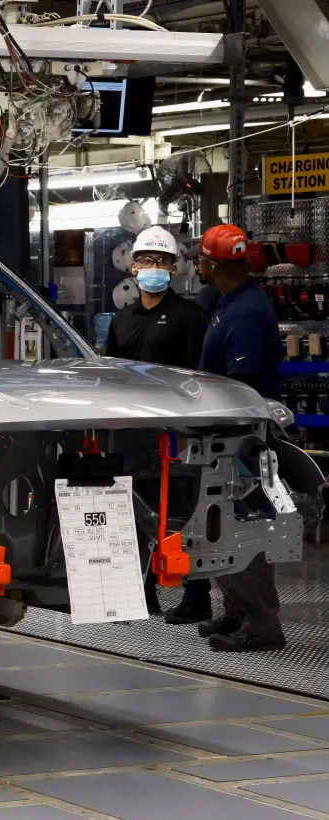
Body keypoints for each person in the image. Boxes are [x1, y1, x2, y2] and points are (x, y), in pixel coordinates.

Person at [104, 226, 213, 624]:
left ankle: (197, 594)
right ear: (133, 267)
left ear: (173, 268)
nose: (153, 268)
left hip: (177, 431)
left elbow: (199, 377)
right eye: (147, 261)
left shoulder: (189, 316)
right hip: (132, 431)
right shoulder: (122, 320)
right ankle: (142, 591)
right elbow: (111, 374)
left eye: (161, 262)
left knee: (184, 509)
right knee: (135, 508)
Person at [196, 222, 287, 652]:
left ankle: (262, 625)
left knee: (247, 525)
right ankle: (236, 612)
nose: (197, 263)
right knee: (222, 525)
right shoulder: (229, 301)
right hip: (227, 435)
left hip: (243, 437)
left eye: (200, 257)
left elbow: (241, 387)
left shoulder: (246, 313)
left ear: (213, 265)